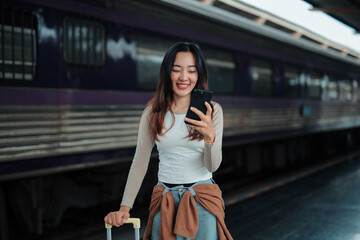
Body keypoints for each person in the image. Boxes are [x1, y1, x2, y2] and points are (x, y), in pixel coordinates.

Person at [104, 42, 233, 240]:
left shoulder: (213, 110)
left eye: (191, 71)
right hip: (165, 201)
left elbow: (212, 165)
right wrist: (124, 208)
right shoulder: (152, 112)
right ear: (167, 73)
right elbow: (139, 163)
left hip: (203, 200)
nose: (184, 77)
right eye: (176, 70)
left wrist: (209, 137)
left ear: (199, 75)